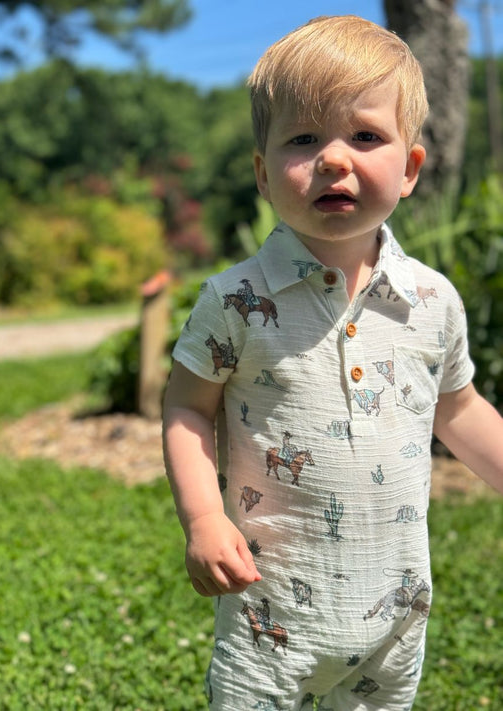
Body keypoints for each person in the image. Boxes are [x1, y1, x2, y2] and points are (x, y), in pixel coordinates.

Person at [162, 15, 503, 710]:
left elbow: (459, 408)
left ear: (409, 169)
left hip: (394, 610)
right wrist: (202, 518)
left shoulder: (431, 301)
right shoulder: (236, 298)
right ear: (263, 174)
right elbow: (187, 407)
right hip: (270, 614)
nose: (334, 159)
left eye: (365, 136)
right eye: (302, 138)